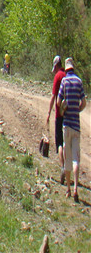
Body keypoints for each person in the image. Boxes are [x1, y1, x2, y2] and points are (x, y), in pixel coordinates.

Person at [57, 57, 87, 203]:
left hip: (67, 125)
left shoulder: (64, 81)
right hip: (76, 126)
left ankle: (68, 189)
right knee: (76, 159)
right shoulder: (79, 82)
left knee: (67, 158)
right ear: (73, 68)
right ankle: (76, 189)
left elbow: (59, 102)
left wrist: (64, 110)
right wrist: (77, 110)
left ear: (66, 68)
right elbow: (84, 103)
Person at [46, 55, 66, 183]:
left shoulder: (58, 77)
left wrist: (48, 112)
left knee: (59, 143)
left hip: (59, 115)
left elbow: (53, 96)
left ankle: (62, 167)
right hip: (68, 115)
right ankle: (68, 168)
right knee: (67, 142)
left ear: (56, 66)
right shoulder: (67, 76)